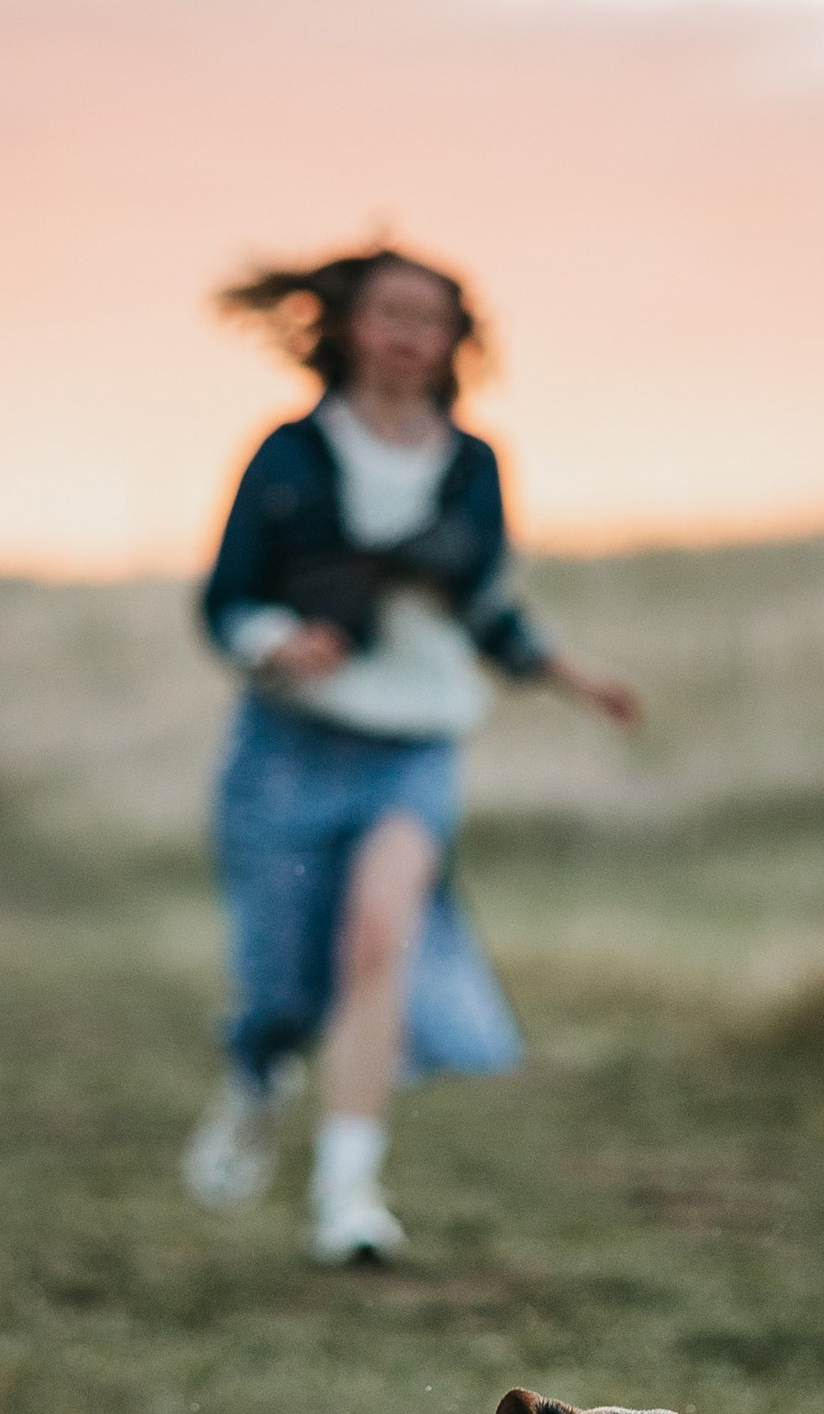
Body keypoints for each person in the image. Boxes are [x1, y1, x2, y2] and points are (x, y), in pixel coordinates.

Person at [185, 244, 641, 1261]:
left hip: (416, 749)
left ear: (453, 343)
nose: (407, 334)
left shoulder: (474, 465)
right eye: (388, 312)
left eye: (428, 319)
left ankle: (348, 1198)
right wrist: (275, 641)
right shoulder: (288, 454)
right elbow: (224, 601)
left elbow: (485, 608)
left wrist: (573, 677)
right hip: (292, 745)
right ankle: (258, 1074)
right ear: (347, 324)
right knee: (283, 985)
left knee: (375, 941)